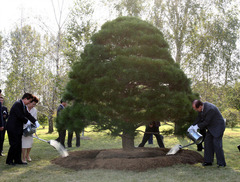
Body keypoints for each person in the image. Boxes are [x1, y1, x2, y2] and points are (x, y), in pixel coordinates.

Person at [188, 100, 226, 167]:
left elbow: (206, 122)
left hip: (218, 127)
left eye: (196, 108)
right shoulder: (201, 109)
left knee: (217, 144)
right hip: (211, 127)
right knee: (207, 142)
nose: (195, 110)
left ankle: (221, 163)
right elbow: (199, 118)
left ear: (200, 106)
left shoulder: (210, 109)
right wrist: (192, 126)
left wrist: (197, 126)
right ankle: (208, 161)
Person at [6, 93, 40, 165]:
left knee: (18, 144)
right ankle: (9, 161)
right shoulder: (17, 104)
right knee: (14, 144)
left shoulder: (23, 105)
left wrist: (35, 121)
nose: (29, 102)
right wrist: (27, 121)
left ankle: (18, 160)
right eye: (29, 101)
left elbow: (27, 114)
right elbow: (19, 115)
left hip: (18, 128)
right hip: (12, 128)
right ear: (25, 99)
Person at [22, 96, 39, 163]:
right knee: (23, 143)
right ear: (29, 103)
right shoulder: (23, 108)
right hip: (23, 128)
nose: (33, 106)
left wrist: (34, 129)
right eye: (33, 104)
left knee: (30, 143)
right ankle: (23, 158)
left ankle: (27, 155)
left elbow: (34, 120)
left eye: (35, 104)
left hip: (30, 128)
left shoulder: (34, 110)